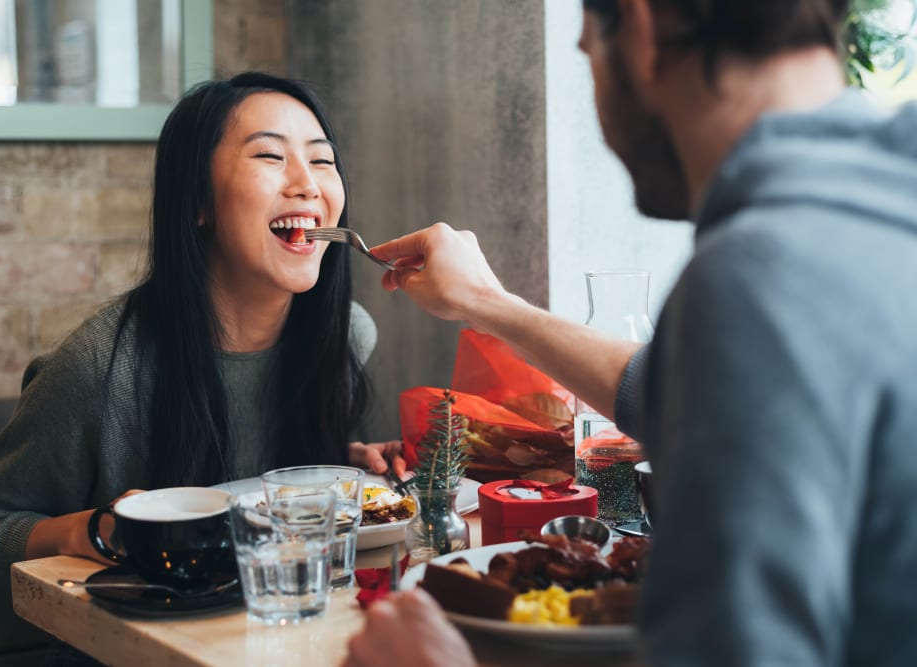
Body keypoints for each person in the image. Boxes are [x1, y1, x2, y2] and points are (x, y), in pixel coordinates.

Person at [344, 1, 917, 666]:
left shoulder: (757, 278)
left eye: (587, 53)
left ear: (643, 27)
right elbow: (675, 389)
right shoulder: (881, 210)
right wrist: (489, 303)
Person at [0, 72, 404, 568]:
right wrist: (95, 529)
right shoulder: (99, 368)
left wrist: (331, 473)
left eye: (322, 160)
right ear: (198, 200)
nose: (308, 185)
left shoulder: (346, 335)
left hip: (286, 631)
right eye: (271, 156)